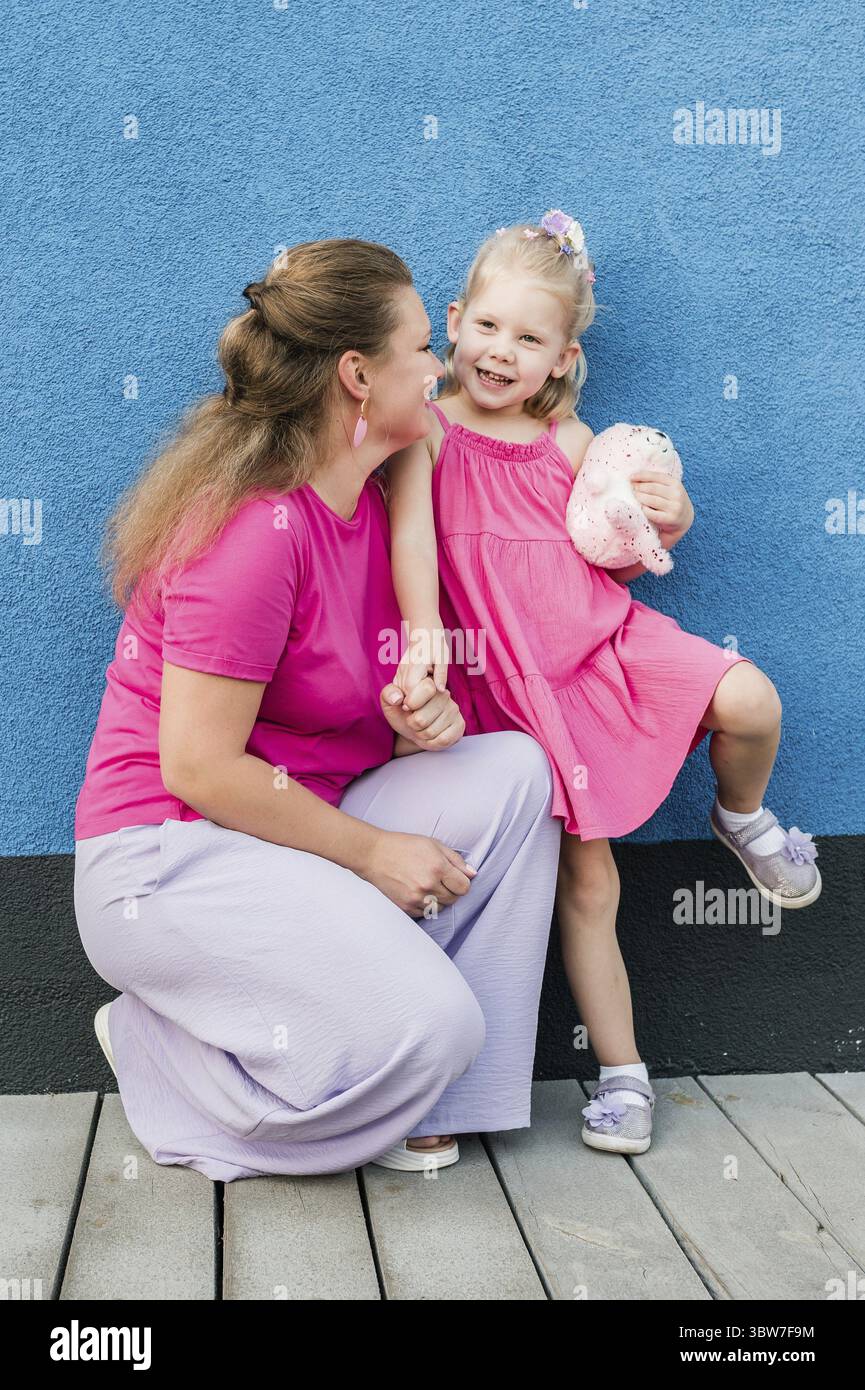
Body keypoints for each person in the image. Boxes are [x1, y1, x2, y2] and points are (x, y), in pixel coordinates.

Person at [72, 238, 563, 1183]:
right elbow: (200, 769)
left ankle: (432, 1105)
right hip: (169, 858)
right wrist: (375, 853)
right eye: (424, 348)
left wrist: (417, 722)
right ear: (356, 376)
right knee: (436, 1024)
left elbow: (315, 715)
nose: (443, 367)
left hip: (286, 833)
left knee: (517, 775)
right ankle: (163, 1056)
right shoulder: (253, 534)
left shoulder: (369, 506)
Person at [385, 209, 821, 1157]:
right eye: (490, 327)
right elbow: (411, 541)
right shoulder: (423, 432)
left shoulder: (572, 442)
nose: (503, 352)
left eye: (530, 338)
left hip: (599, 656)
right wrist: (423, 652)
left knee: (748, 698)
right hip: (501, 686)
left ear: (563, 356)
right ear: (453, 320)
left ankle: (741, 816)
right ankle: (622, 1075)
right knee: (588, 878)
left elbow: (620, 547)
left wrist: (670, 513)